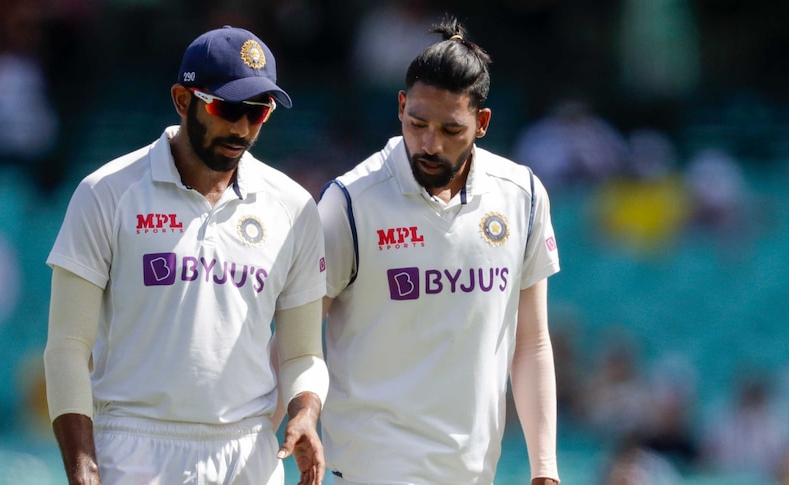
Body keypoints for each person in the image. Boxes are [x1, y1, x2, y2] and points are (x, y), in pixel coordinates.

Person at [43, 26, 329, 485]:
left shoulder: (294, 208)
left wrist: (305, 411)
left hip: (248, 454)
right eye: (227, 108)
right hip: (132, 450)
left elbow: (302, 355)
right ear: (182, 99)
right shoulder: (106, 193)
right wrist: (84, 469)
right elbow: (66, 348)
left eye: (258, 112)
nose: (241, 128)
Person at [318, 17, 561, 485]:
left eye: (451, 129)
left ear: (482, 123)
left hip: (472, 473)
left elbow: (530, 342)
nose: (429, 144)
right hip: (369, 472)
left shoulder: (523, 195)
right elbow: (298, 335)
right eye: (417, 124)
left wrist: (545, 468)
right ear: (401, 106)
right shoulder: (349, 201)